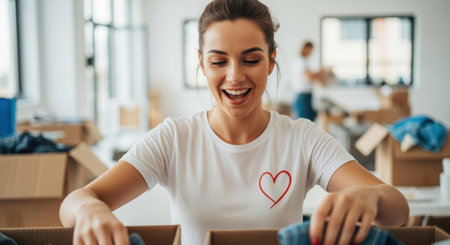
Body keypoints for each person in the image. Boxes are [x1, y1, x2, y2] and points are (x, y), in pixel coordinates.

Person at [59, 0, 409, 245]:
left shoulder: (302, 139)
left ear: (271, 61)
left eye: (251, 59)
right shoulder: (175, 138)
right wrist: (90, 209)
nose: (235, 76)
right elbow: (74, 202)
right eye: (218, 61)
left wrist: (369, 198)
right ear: (201, 63)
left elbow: (397, 210)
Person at [290, 41, 328, 121]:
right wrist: (321, 72)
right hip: (302, 97)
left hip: (307, 96)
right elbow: (309, 76)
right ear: (306, 48)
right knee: (304, 122)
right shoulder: (300, 60)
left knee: (310, 121)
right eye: (311, 49)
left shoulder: (303, 61)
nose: (311, 52)